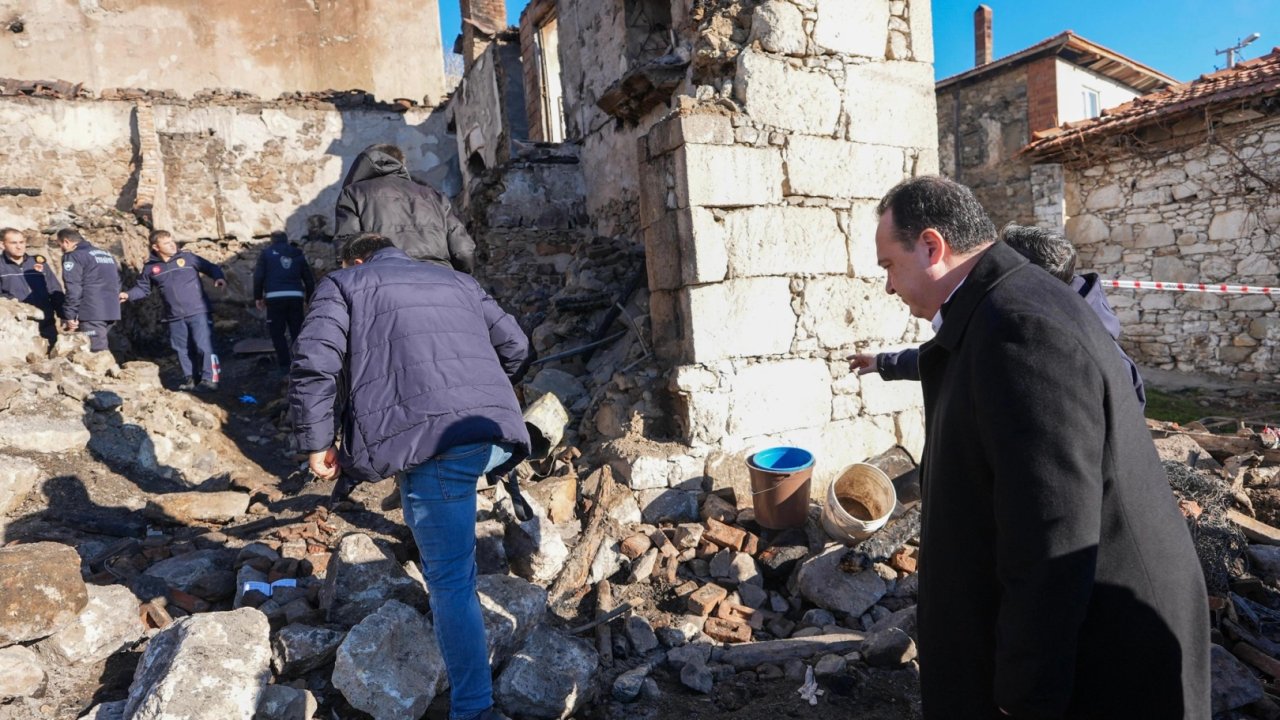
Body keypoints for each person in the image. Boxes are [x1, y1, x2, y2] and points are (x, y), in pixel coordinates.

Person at [871, 176, 1209, 719]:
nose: (888, 285)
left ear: (931, 246)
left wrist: (1025, 694)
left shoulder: (1019, 329)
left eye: (888, 264)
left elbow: (1052, 534)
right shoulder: (997, 310)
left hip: (1104, 659)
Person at [289, 233, 529, 720]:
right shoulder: (457, 280)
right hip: (491, 434)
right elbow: (518, 347)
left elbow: (316, 362)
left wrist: (317, 441)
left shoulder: (345, 282)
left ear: (355, 259)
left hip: (432, 444)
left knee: (450, 581)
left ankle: (475, 709)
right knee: (442, 495)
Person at [849, 224, 1147, 407]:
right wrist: (884, 363)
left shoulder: (1100, 362)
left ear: (1033, 280)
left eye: (1000, 268)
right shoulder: (1019, 325)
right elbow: (953, 359)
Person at [334, 144, 476, 273]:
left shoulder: (354, 193)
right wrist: (460, 279)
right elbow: (463, 250)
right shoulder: (434, 196)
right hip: (439, 278)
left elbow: (347, 249)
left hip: (384, 279)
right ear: (402, 164)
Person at [120, 230, 226, 391]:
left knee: (203, 345)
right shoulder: (151, 268)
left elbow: (210, 267)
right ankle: (191, 378)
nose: (172, 245)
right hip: (174, 316)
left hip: (198, 311)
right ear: (156, 247)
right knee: (182, 348)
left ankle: (209, 378)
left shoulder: (188, 258)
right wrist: (127, 294)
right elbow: (143, 288)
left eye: (172, 241)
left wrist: (218, 277)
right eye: (167, 243)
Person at [252, 230, 315, 372]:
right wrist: (309, 298)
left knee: (277, 332)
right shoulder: (297, 253)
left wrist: (258, 297)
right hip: (295, 297)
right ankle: (301, 364)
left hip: (275, 298)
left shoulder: (266, 254)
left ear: (271, 240)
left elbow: (258, 277)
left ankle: (285, 365)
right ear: (286, 240)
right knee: (297, 331)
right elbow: (308, 278)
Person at [57, 228, 121, 353]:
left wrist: (70, 314)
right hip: (110, 310)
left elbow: (73, 287)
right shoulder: (106, 254)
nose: (61, 249)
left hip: (90, 311)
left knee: (95, 351)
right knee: (102, 347)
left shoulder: (74, 256)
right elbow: (117, 281)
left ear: (66, 242)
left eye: (60, 245)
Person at [0, 227, 63, 343]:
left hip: (46, 322)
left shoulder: (37, 262)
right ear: (2, 245)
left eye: (21, 242)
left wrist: (64, 314)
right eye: (13, 243)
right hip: (18, 327)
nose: (19, 246)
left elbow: (54, 289)